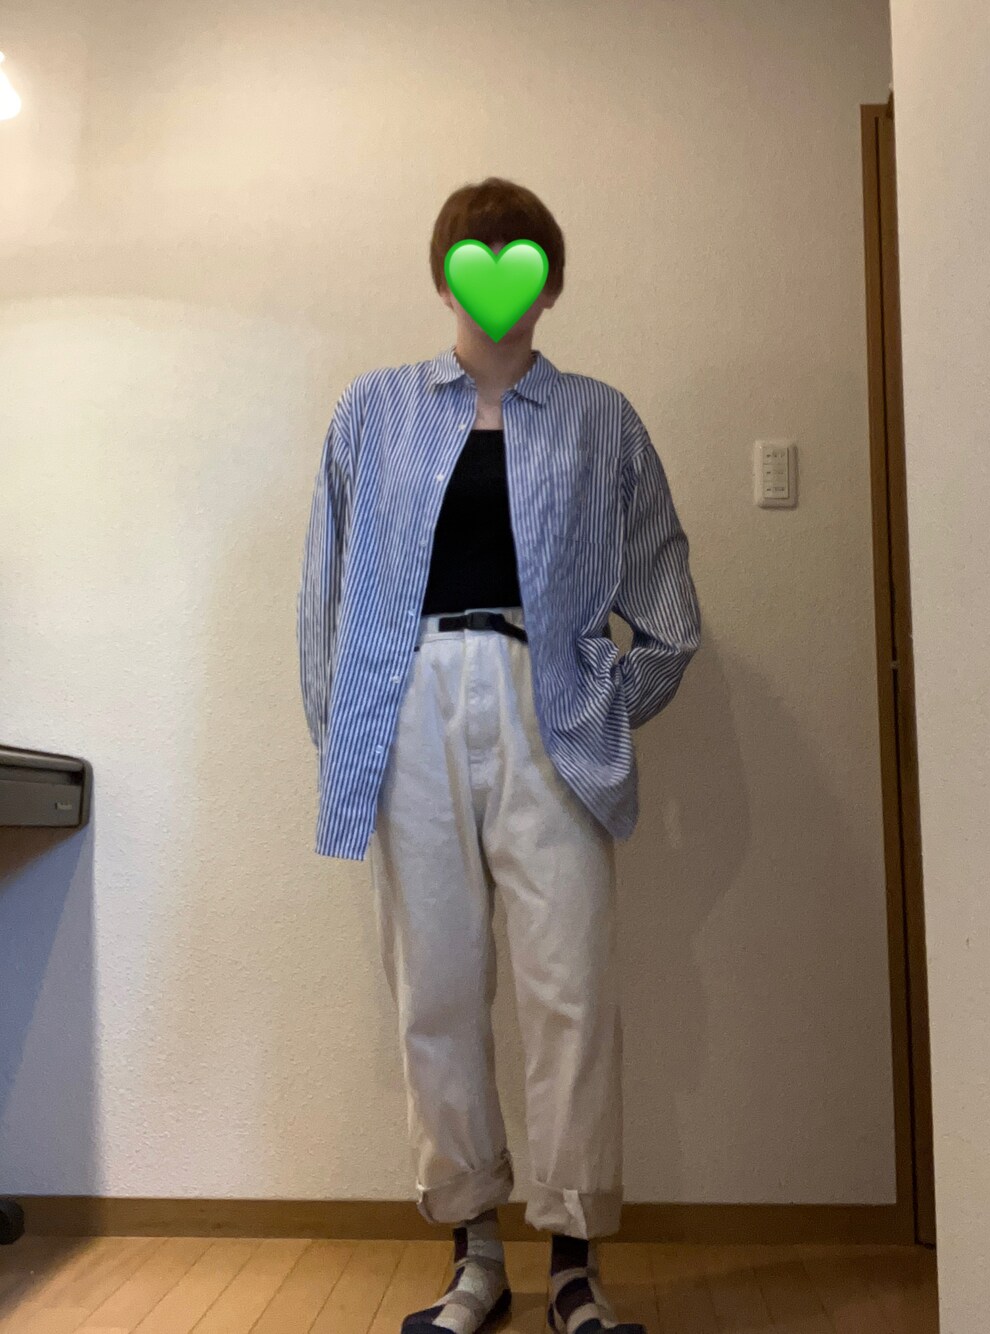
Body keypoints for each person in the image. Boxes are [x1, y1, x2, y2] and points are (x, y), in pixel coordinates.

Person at [297, 176, 701, 1334]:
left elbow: (665, 603)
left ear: (550, 284)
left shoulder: (601, 419)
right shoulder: (372, 410)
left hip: (548, 706)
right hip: (409, 703)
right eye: (474, 262)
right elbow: (326, 595)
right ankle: (473, 1253)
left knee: (569, 986)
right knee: (435, 986)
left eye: (523, 263)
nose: (498, 285)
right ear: (444, 279)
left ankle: (573, 1262)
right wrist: (352, 734)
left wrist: (602, 703)